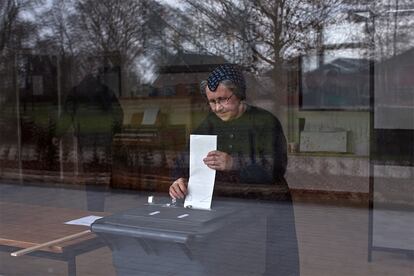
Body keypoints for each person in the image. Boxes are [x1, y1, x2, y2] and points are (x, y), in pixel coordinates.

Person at [169, 64, 299, 275]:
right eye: (212, 101)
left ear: (239, 94)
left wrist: (234, 163)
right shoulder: (208, 124)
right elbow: (183, 162)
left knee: (271, 265)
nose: (217, 107)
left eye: (223, 99)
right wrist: (178, 180)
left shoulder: (265, 122)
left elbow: (276, 167)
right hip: (227, 214)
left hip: (266, 210)